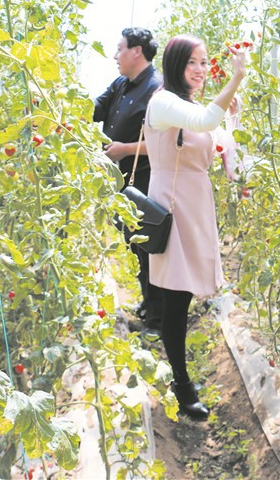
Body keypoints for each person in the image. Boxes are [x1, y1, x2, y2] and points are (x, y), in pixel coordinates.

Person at [144, 34, 247, 420]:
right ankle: (181, 384)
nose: (201, 70)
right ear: (175, 64)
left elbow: (223, 149)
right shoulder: (163, 102)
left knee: (182, 294)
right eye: (192, 62)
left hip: (194, 204)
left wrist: (232, 117)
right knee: (176, 296)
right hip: (172, 205)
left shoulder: (188, 105)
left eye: (204, 62)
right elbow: (205, 121)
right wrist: (236, 77)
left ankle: (180, 379)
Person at [93, 27, 163, 333]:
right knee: (136, 244)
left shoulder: (158, 89)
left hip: (148, 180)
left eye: (120, 48)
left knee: (150, 247)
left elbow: (168, 142)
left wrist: (125, 149)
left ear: (137, 51)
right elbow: (95, 109)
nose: (115, 55)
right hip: (124, 180)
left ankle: (158, 321)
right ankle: (149, 305)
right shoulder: (120, 83)